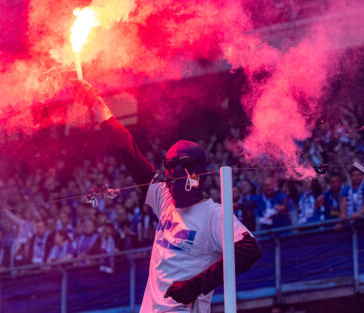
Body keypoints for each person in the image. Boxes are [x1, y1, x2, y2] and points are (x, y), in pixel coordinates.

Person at [71, 80, 261, 312]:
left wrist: (196, 285)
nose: (174, 178)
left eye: (183, 169)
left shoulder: (213, 215)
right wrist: (96, 104)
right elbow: (131, 156)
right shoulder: (166, 201)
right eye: (170, 169)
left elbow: (249, 248)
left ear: (198, 173)